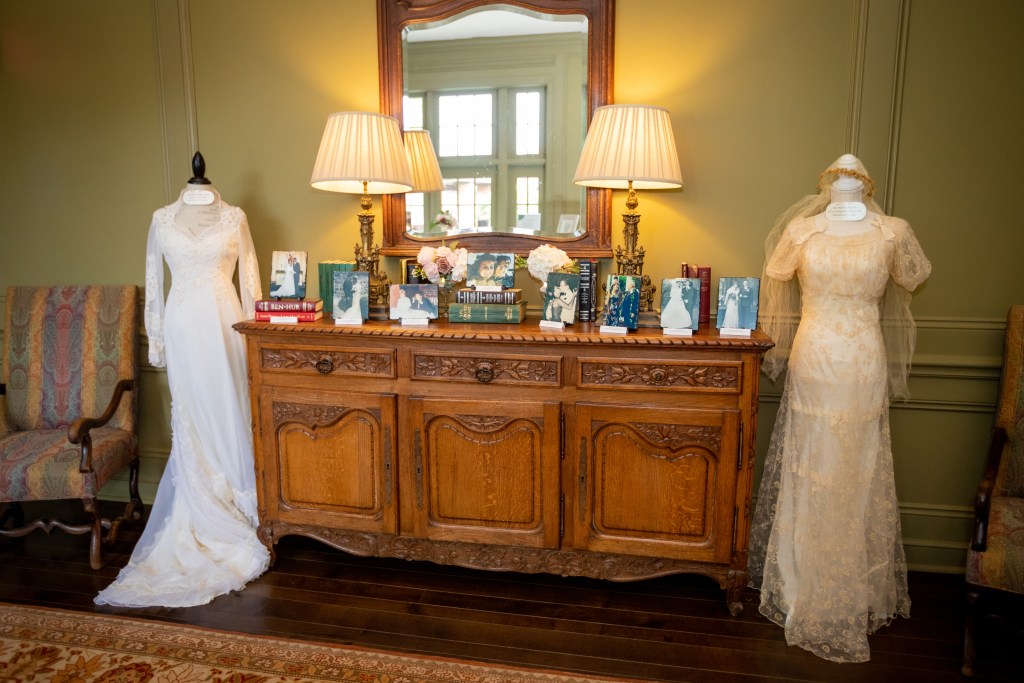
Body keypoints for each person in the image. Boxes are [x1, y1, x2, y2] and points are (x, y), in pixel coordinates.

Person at [748, 154, 931, 662]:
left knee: (856, 465)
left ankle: (853, 587)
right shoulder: (802, 231)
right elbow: (778, 275)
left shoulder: (892, 231)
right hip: (814, 357)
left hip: (862, 361)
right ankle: (799, 581)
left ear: (863, 187)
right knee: (810, 464)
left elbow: (913, 276)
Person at [96, 181, 270, 608]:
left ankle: (239, 501)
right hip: (182, 324)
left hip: (224, 322)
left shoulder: (235, 217)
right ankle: (200, 505)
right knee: (191, 412)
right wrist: (155, 342)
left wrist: (257, 337)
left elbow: (250, 279)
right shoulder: (161, 220)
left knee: (229, 408)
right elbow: (154, 281)